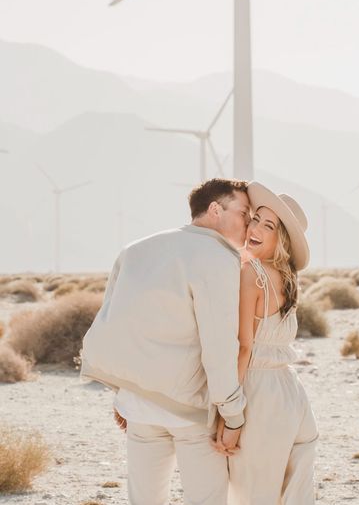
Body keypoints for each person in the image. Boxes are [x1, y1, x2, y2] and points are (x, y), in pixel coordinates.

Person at [80, 178, 251, 505]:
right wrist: (233, 416)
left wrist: (123, 392)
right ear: (216, 209)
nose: (249, 222)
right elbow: (219, 346)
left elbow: (114, 328)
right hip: (192, 413)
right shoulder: (217, 255)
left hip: (138, 408)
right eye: (244, 212)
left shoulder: (135, 249)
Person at [214, 180, 319, 504]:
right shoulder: (287, 277)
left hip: (260, 397)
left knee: (253, 494)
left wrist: (229, 417)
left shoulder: (251, 273)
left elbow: (244, 347)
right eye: (256, 218)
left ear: (281, 238)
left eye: (268, 225)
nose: (255, 228)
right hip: (292, 395)